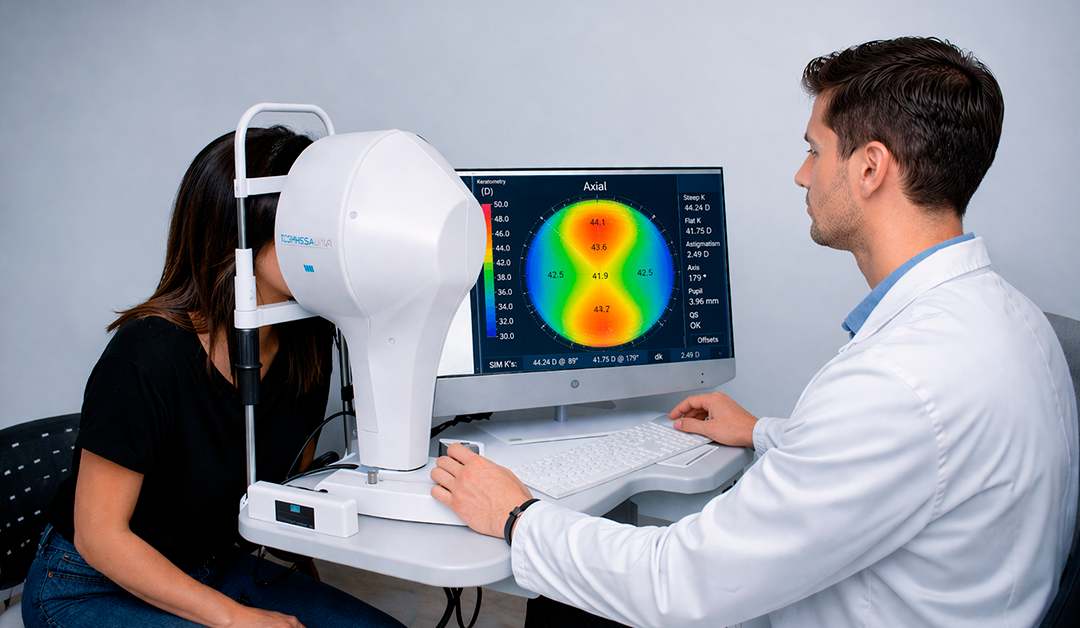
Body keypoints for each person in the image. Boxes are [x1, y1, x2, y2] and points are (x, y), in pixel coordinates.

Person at [430, 37, 1079, 627]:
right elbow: (926, 460)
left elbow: (678, 586)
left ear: (871, 168)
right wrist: (767, 432)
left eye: (814, 150)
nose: (802, 175)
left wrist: (517, 516)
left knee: (569, 607)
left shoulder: (895, 384)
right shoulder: (1015, 320)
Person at [22, 127, 404, 628]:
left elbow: (281, 494)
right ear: (239, 227)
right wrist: (232, 618)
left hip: (212, 564)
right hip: (85, 584)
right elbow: (100, 537)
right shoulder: (147, 355)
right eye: (308, 222)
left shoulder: (308, 341)